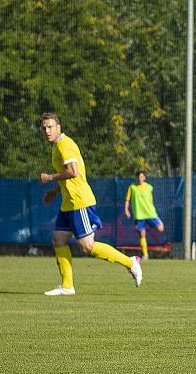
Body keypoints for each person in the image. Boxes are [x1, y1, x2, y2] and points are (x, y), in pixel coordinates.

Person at [39, 112, 142, 295]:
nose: (47, 131)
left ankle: (130, 262)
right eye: (44, 127)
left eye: (50, 127)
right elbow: (68, 177)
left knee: (87, 246)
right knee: (58, 240)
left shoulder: (65, 145)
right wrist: (55, 192)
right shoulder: (56, 146)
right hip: (68, 203)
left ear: (58, 127)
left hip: (80, 202)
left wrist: (49, 178)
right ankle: (67, 286)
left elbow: (73, 172)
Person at [124, 171, 165, 260]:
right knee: (142, 234)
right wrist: (126, 210)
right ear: (137, 178)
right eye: (139, 177)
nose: (140, 178)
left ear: (144, 178)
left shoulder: (150, 187)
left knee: (161, 228)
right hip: (139, 215)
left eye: (142, 176)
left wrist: (154, 211)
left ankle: (150, 227)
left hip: (150, 213)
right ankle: (145, 255)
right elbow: (127, 199)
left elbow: (151, 200)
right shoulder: (132, 187)